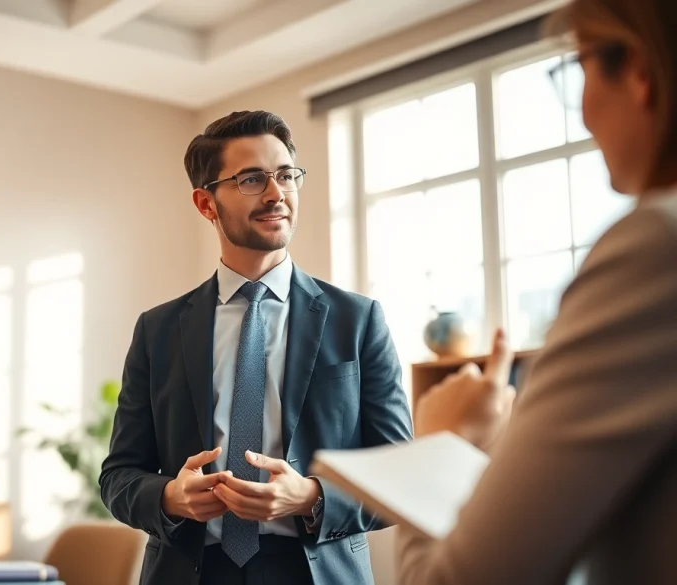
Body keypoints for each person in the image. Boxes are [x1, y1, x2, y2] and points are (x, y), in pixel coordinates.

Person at [397, 1, 677, 583]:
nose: (583, 114)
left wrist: (441, 444)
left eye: (578, 68)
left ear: (640, 72)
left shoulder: (655, 247)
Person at [99, 110, 414, 585]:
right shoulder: (157, 330)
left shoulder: (358, 321)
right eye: (251, 179)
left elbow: (400, 476)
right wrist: (171, 497)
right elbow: (119, 475)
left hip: (316, 571)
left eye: (286, 175)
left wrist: (311, 497)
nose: (276, 194)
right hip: (191, 572)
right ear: (206, 204)